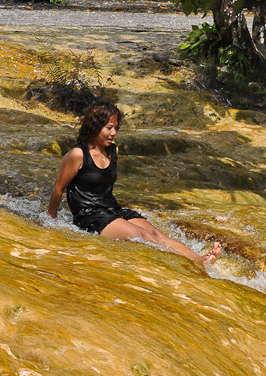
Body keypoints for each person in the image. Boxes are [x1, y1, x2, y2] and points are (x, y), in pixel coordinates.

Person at [47, 102, 222, 266]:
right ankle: (195, 262)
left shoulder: (113, 151)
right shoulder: (77, 154)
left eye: (116, 128)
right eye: (109, 128)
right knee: (143, 235)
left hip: (112, 210)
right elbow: (58, 188)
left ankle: (199, 261)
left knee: (157, 234)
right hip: (90, 216)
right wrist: (51, 222)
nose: (114, 133)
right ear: (94, 127)